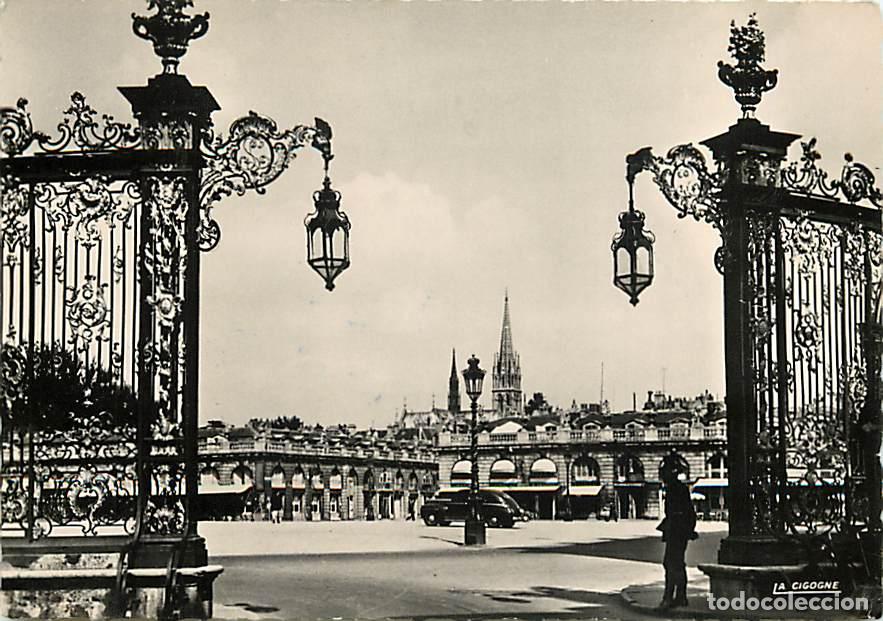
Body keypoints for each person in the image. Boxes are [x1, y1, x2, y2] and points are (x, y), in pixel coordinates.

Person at [656, 454, 698, 609]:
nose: (663, 475)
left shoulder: (677, 489)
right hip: (677, 529)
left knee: (672, 563)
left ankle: (670, 598)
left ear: (671, 473)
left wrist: (685, 529)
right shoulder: (676, 488)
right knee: (676, 563)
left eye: (665, 472)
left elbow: (686, 512)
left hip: (678, 530)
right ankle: (680, 596)